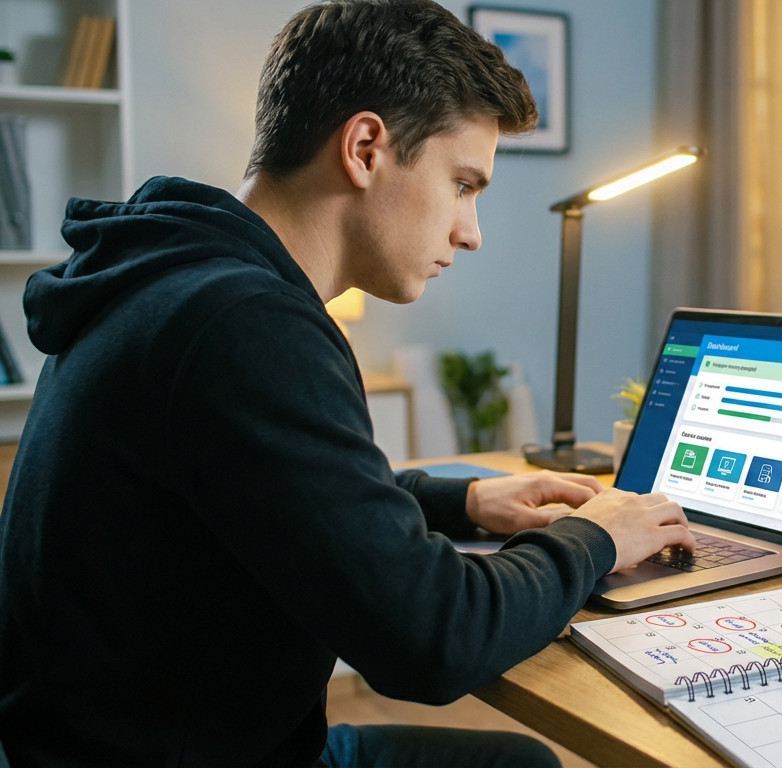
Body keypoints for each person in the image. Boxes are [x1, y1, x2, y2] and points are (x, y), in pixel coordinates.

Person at [0, 1, 694, 766]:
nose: (472, 230)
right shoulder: (245, 325)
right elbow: (432, 640)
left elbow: (270, 492)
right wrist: (596, 539)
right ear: (365, 148)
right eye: (464, 183)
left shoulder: (168, 278)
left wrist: (460, 501)